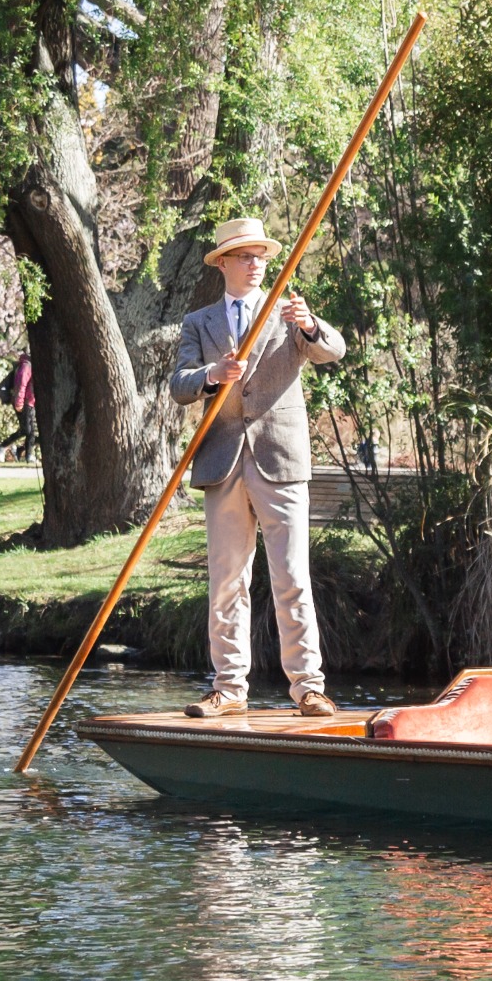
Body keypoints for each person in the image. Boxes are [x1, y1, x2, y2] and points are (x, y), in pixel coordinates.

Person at [170, 215, 345, 719]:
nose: (254, 264)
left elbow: (333, 350)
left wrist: (309, 324)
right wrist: (212, 374)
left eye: (260, 256)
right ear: (222, 262)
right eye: (244, 256)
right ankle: (228, 687)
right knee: (227, 580)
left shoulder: (285, 311)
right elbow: (179, 385)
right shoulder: (199, 322)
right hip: (222, 462)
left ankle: (309, 687)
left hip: (281, 460)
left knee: (292, 576)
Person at [0, 352, 36, 463]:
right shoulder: (26, 366)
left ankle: (13, 448)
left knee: (26, 430)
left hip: (30, 401)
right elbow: (21, 385)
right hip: (25, 402)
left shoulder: (29, 365)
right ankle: (28, 456)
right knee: (29, 431)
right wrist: (19, 403)